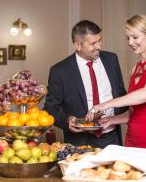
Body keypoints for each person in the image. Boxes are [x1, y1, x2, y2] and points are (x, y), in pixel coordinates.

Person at [87, 14, 146, 153]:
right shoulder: (135, 69)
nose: (130, 42)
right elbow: (135, 112)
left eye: (135, 37)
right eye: (128, 38)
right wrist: (112, 120)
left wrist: (105, 105)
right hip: (132, 137)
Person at [43, 20, 128, 148]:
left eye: (100, 40)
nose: (99, 46)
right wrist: (67, 120)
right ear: (78, 45)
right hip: (79, 142)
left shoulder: (111, 60)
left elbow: (121, 95)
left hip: (112, 138)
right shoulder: (60, 71)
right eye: (93, 43)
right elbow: (50, 108)